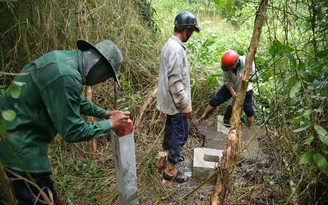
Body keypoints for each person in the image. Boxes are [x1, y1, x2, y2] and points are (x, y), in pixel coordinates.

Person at [0, 39, 130, 204]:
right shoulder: (66, 75)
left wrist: (104, 114)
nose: (104, 81)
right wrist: (110, 124)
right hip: (20, 150)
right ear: (100, 66)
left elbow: (73, 99)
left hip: (12, 137)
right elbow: (72, 131)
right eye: (107, 76)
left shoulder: (63, 60)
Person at [156, 11, 200, 183]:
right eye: (191, 31)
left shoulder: (170, 45)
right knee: (180, 134)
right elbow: (175, 81)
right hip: (176, 102)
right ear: (187, 30)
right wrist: (184, 104)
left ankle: (167, 155)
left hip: (169, 100)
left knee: (171, 130)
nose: (190, 35)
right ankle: (171, 169)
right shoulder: (175, 49)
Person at [199, 50, 257, 127]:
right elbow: (227, 81)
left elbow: (255, 77)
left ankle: (251, 128)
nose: (229, 69)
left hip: (245, 89)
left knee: (248, 110)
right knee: (216, 100)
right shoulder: (226, 67)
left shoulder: (248, 62)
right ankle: (203, 116)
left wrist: (246, 77)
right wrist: (232, 92)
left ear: (237, 62)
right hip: (231, 86)